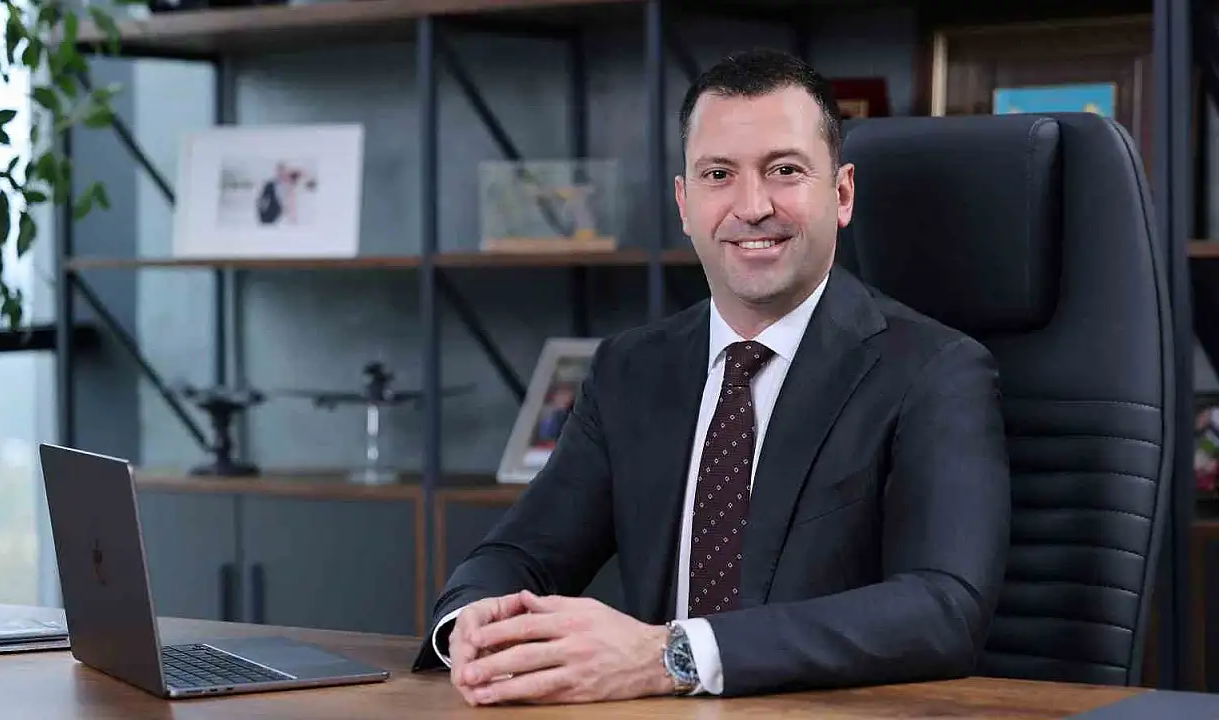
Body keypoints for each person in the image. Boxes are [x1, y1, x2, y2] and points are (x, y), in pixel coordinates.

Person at [411, 48, 1011, 706]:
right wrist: (472, 622)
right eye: (718, 174)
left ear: (841, 194)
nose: (751, 207)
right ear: (684, 202)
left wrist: (672, 656)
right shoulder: (630, 370)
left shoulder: (934, 370)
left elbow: (942, 608)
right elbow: (522, 553)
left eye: (784, 170)